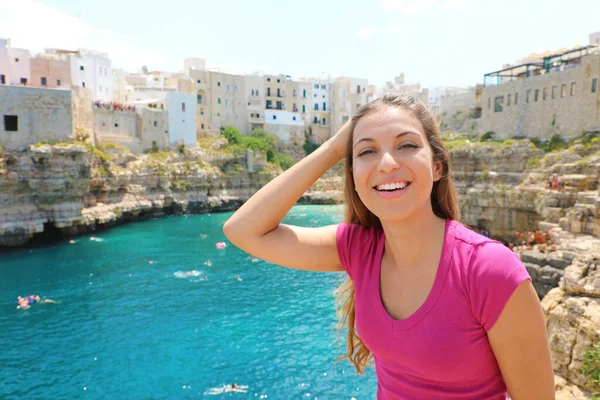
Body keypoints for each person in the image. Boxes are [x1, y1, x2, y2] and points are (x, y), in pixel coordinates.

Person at [223, 92, 554, 399]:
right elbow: (243, 230)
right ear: (353, 174)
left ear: (437, 166)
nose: (386, 163)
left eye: (406, 145)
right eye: (367, 151)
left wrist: (355, 146)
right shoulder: (358, 249)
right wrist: (335, 147)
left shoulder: (489, 271)